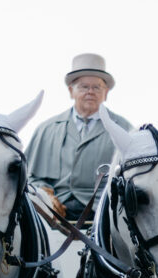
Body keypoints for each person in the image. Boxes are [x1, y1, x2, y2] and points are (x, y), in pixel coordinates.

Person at [25, 53, 131, 220]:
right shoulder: (45, 129)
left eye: (97, 87)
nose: (90, 92)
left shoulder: (125, 129)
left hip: (105, 215)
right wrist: (46, 196)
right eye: (83, 86)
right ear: (70, 91)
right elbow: (29, 177)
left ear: (106, 92)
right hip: (52, 215)